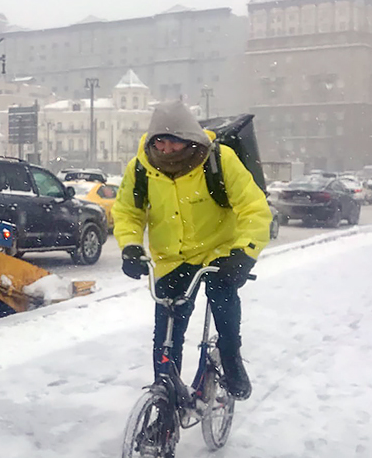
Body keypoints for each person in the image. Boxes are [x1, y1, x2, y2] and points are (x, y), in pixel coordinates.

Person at [112, 101, 271, 399]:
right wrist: (130, 246)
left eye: (174, 141)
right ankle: (165, 397)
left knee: (223, 301)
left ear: (190, 138)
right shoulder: (141, 168)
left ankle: (231, 358)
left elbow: (254, 208)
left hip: (218, 252)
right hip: (171, 260)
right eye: (160, 141)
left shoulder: (219, 160)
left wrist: (244, 253)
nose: (167, 149)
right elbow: (127, 212)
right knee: (167, 334)